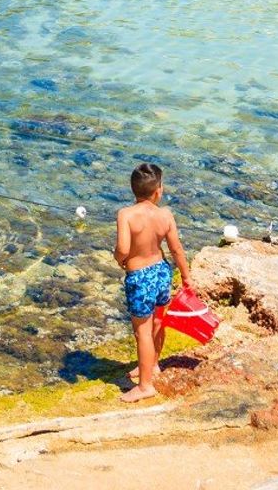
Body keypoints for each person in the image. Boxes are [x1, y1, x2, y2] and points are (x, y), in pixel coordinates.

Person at [114, 161, 193, 401]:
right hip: (161, 271)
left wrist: (120, 260)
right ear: (158, 190)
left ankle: (145, 385)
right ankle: (153, 364)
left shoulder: (126, 215)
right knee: (159, 322)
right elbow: (177, 250)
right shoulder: (165, 215)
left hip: (139, 277)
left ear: (133, 189)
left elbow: (123, 248)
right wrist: (187, 277)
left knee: (143, 332)